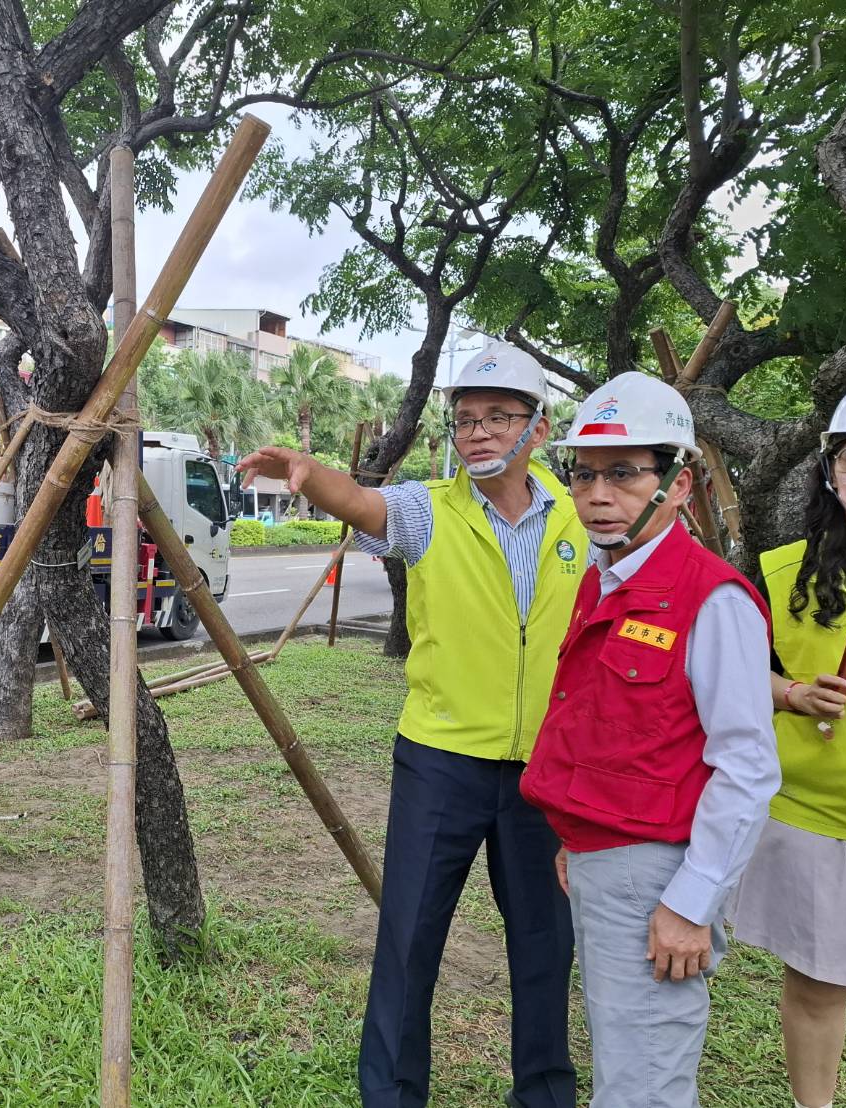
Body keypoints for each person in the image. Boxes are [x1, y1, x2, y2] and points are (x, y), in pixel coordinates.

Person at [239, 339, 585, 1108]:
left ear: (537, 427)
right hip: (440, 761)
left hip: (545, 770)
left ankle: (543, 1093)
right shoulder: (428, 509)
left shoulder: (578, 518)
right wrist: (310, 473)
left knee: (545, 944)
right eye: (465, 419)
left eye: (498, 417)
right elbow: (362, 503)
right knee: (409, 939)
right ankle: (392, 1095)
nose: (478, 432)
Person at [520, 372, 780, 1108]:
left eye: (624, 473)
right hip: (602, 854)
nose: (598, 495)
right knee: (623, 1053)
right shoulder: (604, 579)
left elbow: (747, 767)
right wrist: (576, 833)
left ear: (677, 483)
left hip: (659, 873)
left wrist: (691, 904)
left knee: (642, 1081)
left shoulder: (711, 599)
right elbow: (605, 727)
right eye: (585, 474)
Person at [730, 375, 846, 1108]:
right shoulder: (779, 572)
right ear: (829, 470)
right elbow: (731, 672)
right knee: (819, 988)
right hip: (816, 821)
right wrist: (791, 694)